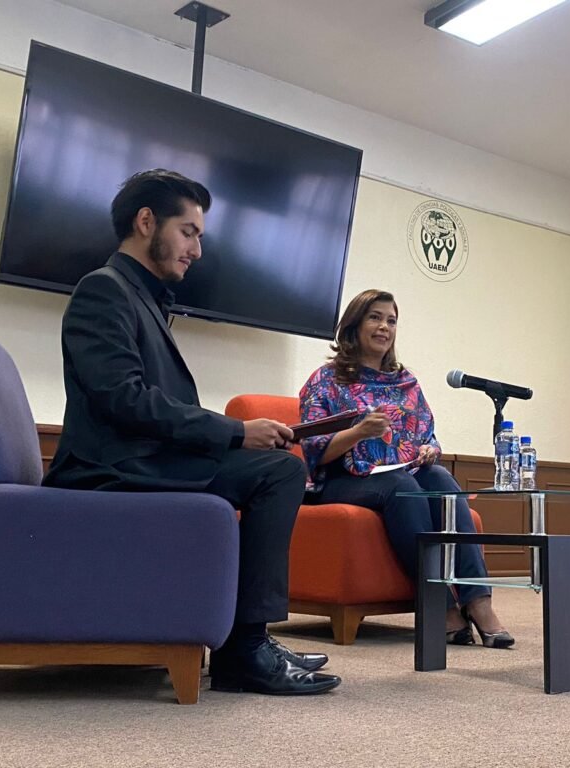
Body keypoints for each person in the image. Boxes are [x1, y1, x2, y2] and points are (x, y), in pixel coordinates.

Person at [43, 169, 340, 695]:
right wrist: (235, 431)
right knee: (277, 472)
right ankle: (244, 650)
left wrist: (236, 434)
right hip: (110, 467)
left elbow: (151, 404)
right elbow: (123, 399)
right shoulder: (103, 290)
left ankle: (248, 641)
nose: (197, 251)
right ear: (146, 222)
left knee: (276, 465)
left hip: (142, 458)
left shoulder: (140, 297)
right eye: (188, 232)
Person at [298, 289, 514, 648]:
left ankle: (478, 600)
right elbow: (314, 451)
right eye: (375, 317)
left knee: (441, 479)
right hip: (340, 480)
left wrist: (430, 449)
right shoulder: (326, 380)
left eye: (391, 320)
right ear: (354, 325)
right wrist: (358, 433)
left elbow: (428, 435)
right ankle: (442, 607)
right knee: (402, 487)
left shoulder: (405, 382)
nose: (384, 327)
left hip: (401, 472)